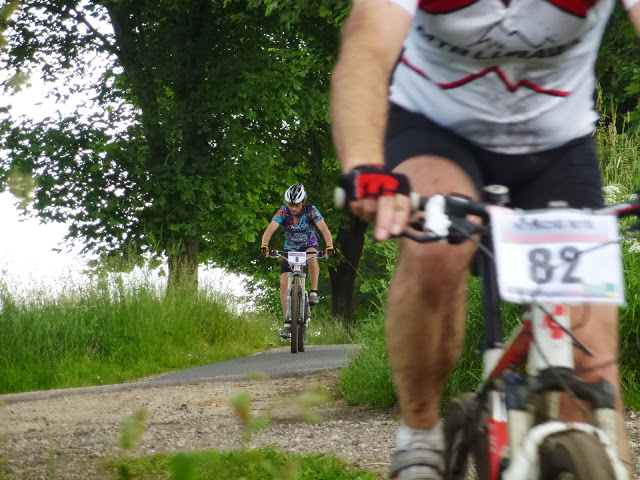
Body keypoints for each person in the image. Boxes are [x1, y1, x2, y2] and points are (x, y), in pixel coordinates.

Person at [331, 1, 640, 479]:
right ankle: (420, 434)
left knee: (591, 365)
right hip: (435, 129)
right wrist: (366, 167)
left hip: (556, 146)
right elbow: (367, 48)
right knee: (437, 250)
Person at [261, 184, 335, 338]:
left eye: (296, 205)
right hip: (290, 248)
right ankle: (287, 323)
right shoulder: (283, 211)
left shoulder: (311, 210)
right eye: (290, 205)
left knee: (312, 259)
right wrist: (264, 245)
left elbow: (324, 229)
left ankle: (314, 292)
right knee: (283, 283)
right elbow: (270, 229)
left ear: (303, 202)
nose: (293, 208)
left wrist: (329, 246)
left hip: (309, 244)